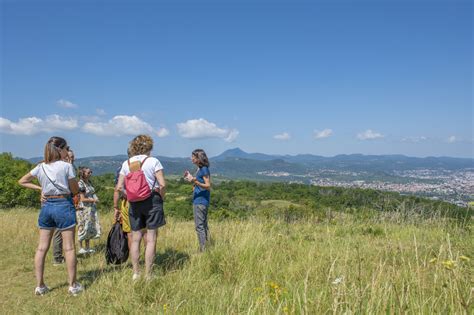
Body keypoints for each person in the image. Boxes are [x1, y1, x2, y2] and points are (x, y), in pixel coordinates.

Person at [18, 136, 83, 296]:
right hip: (63, 205)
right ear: (60, 149)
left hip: (46, 207)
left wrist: (41, 189)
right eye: (66, 148)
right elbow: (74, 190)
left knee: (41, 248)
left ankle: (40, 286)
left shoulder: (40, 167)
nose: (67, 151)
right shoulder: (66, 166)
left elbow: (22, 181)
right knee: (69, 248)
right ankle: (72, 285)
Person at [114, 134, 166, 280]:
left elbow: (119, 187)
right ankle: (149, 274)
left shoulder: (127, 163)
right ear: (149, 146)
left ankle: (136, 273)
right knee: (151, 238)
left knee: (135, 238)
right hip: (152, 201)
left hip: (134, 203)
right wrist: (161, 197)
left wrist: (130, 194)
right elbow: (162, 184)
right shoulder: (153, 161)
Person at [184, 149, 211, 252]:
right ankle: (206, 248)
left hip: (200, 201)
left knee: (199, 226)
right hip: (200, 200)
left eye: (193, 157)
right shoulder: (200, 169)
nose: (192, 159)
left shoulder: (203, 169)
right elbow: (200, 182)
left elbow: (208, 185)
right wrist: (193, 180)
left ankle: (203, 250)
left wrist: (195, 181)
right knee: (203, 225)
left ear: (198, 158)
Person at [52, 148, 75, 265]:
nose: (71, 160)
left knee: (68, 231)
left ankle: (67, 255)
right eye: (68, 157)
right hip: (61, 203)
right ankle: (57, 257)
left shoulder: (68, 168)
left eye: (72, 158)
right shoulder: (62, 169)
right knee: (58, 232)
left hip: (69, 202)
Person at [76, 167, 100, 254]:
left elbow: (92, 193)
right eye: (89, 172)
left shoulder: (88, 183)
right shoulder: (80, 184)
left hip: (90, 208)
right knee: (82, 226)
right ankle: (80, 247)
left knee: (89, 226)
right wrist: (93, 200)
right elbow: (82, 198)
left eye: (91, 172)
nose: (90, 174)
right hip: (83, 209)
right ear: (83, 174)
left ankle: (87, 247)